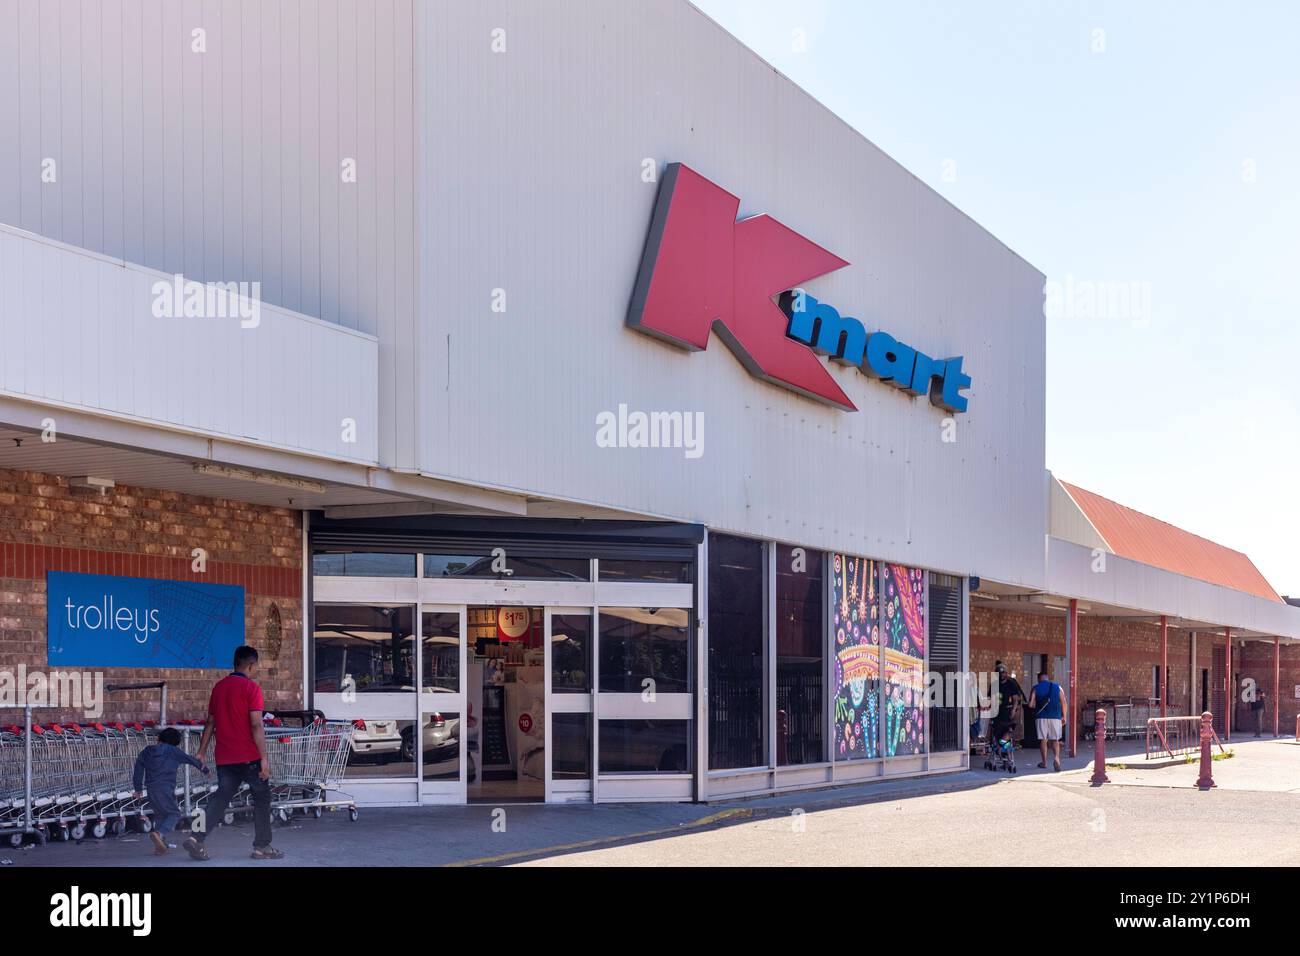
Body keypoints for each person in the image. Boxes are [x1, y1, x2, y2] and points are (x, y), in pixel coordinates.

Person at [183, 645, 285, 861]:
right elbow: (257, 725)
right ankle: (262, 847)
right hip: (249, 756)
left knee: (220, 798)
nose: (256, 670)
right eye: (256, 666)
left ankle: (196, 837)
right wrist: (264, 759)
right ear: (250, 665)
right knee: (262, 798)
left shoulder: (218, 688)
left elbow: (210, 723)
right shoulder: (252, 689)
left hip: (225, 756)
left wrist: (201, 752)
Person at [133, 726, 208, 855]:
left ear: (158, 738)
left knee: (161, 815)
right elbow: (190, 759)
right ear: (175, 743)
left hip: (151, 790)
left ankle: (160, 847)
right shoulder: (173, 751)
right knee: (174, 814)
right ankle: (159, 834)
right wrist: (204, 769)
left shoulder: (146, 751)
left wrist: (138, 788)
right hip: (165, 789)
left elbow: (138, 769)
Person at [1028, 670, 1067, 771]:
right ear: (1047, 678)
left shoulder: (1036, 688)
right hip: (1055, 717)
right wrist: (1064, 716)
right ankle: (1057, 758)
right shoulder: (1058, 687)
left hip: (1041, 717)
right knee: (1055, 740)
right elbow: (1064, 702)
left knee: (1043, 740)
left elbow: (1031, 705)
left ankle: (1044, 762)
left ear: (1039, 679)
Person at [990, 662, 1023, 749]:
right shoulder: (994, 684)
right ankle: (1002, 749)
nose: (1001, 675)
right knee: (997, 733)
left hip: (1008, 711)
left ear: (1006, 673)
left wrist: (1013, 710)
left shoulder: (1011, 684)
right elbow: (991, 699)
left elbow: (1016, 699)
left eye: (1003, 672)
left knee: (1009, 731)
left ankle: (1002, 749)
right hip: (997, 713)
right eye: (999, 673)